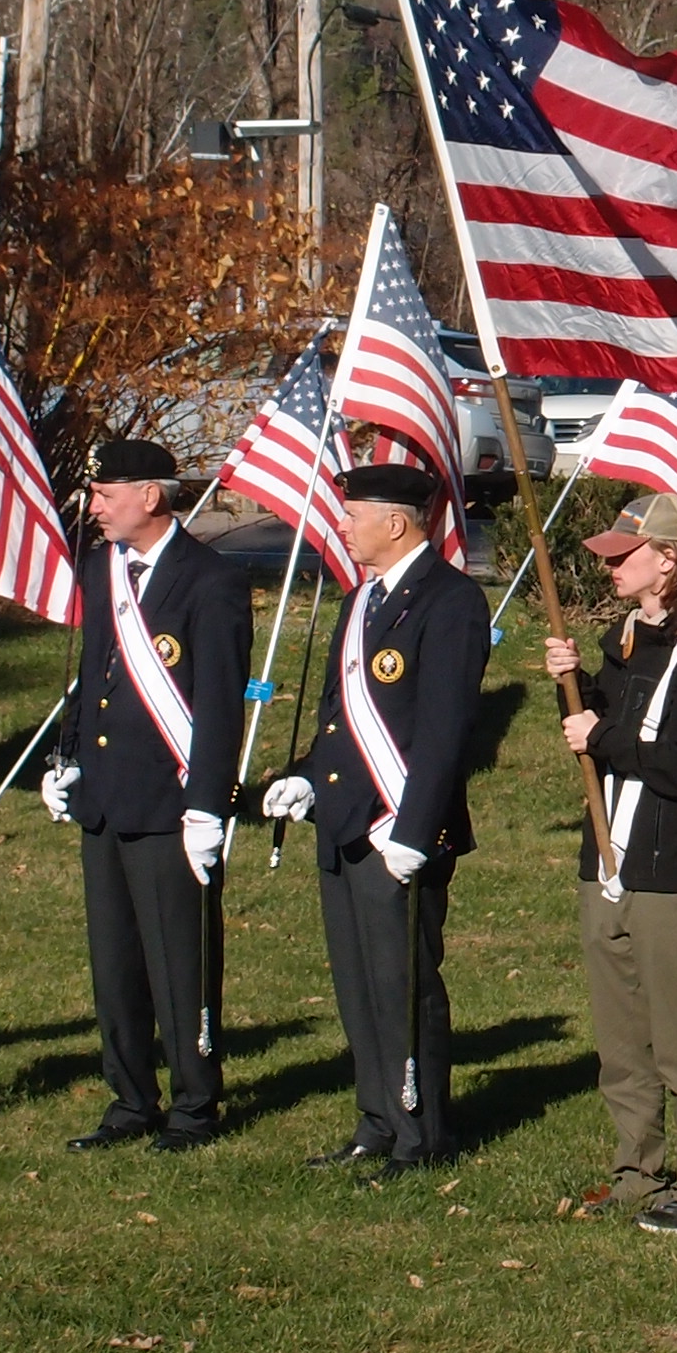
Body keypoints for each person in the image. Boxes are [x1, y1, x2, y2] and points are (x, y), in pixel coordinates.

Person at [257, 464, 485, 1174]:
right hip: (347, 820)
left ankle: (422, 1134)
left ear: (396, 522)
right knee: (358, 986)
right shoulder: (362, 602)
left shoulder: (450, 601)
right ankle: (376, 1120)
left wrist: (414, 833)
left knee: (403, 985)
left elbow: (445, 730)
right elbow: (339, 719)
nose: (344, 527)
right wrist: (302, 778)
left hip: (398, 832)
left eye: (354, 515)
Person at [536, 494, 677, 1233]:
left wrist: (602, 735)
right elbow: (614, 727)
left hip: (674, 878)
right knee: (623, 1043)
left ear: (670, 558)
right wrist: (579, 688)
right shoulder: (628, 642)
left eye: (624, 556)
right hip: (609, 867)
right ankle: (636, 1170)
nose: (610, 568)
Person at [41, 440, 249, 1153]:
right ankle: (130, 1097)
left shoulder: (210, 581)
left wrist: (208, 804)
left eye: (105, 493)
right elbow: (94, 673)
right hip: (106, 796)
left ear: (151, 496)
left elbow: (221, 705)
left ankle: (195, 1103)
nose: (93, 506)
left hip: (171, 802)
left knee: (178, 959)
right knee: (115, 961)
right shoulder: (102, 569)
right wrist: (66, 758)